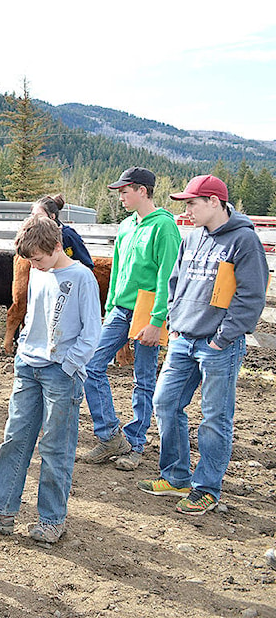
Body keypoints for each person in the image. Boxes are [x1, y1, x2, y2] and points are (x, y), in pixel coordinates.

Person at [137, 175, 268, 515]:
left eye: (192, 203)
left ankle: (207, 487)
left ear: (214, 202)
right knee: (165, 402)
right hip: (184, 338)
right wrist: (176, 324)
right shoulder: (192, 239)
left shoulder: (244, 241)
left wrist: (222, 337)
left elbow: (251, 296)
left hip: (218, 346)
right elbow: (175, 282)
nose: (187, 210)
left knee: (214, 417)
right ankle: (176, 475)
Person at [0, 216, 101, 544]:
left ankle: (52, 519)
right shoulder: (38, 271)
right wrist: (23, 351)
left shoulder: (81, 278)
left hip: (60, 373)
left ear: (54, 247)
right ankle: (0, 508)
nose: (33, 264)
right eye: (29, 259)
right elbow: (33, 315)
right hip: (28, 366)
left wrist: (69, 365)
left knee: (56, 446)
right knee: (14, 438)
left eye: (37, 257)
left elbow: (92, 330)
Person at [82, 167, 181, 471]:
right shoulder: (126, 226)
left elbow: (169, 276)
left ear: (142, 190)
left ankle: (136, 443)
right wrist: (110, 306)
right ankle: (111, 434)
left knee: (144, 377)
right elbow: (117, 271)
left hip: (147, 311)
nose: (121, 197)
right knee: (91, 366)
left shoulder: (164, 227)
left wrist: (158, 319)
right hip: (121, 310)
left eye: (125, 191)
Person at [31, 195, 93, 268]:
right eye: (32, 215)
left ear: (52, 216)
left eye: (39, 216)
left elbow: (87, 264)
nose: (34, 219)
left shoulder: (68, 235)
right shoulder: (34, 237)